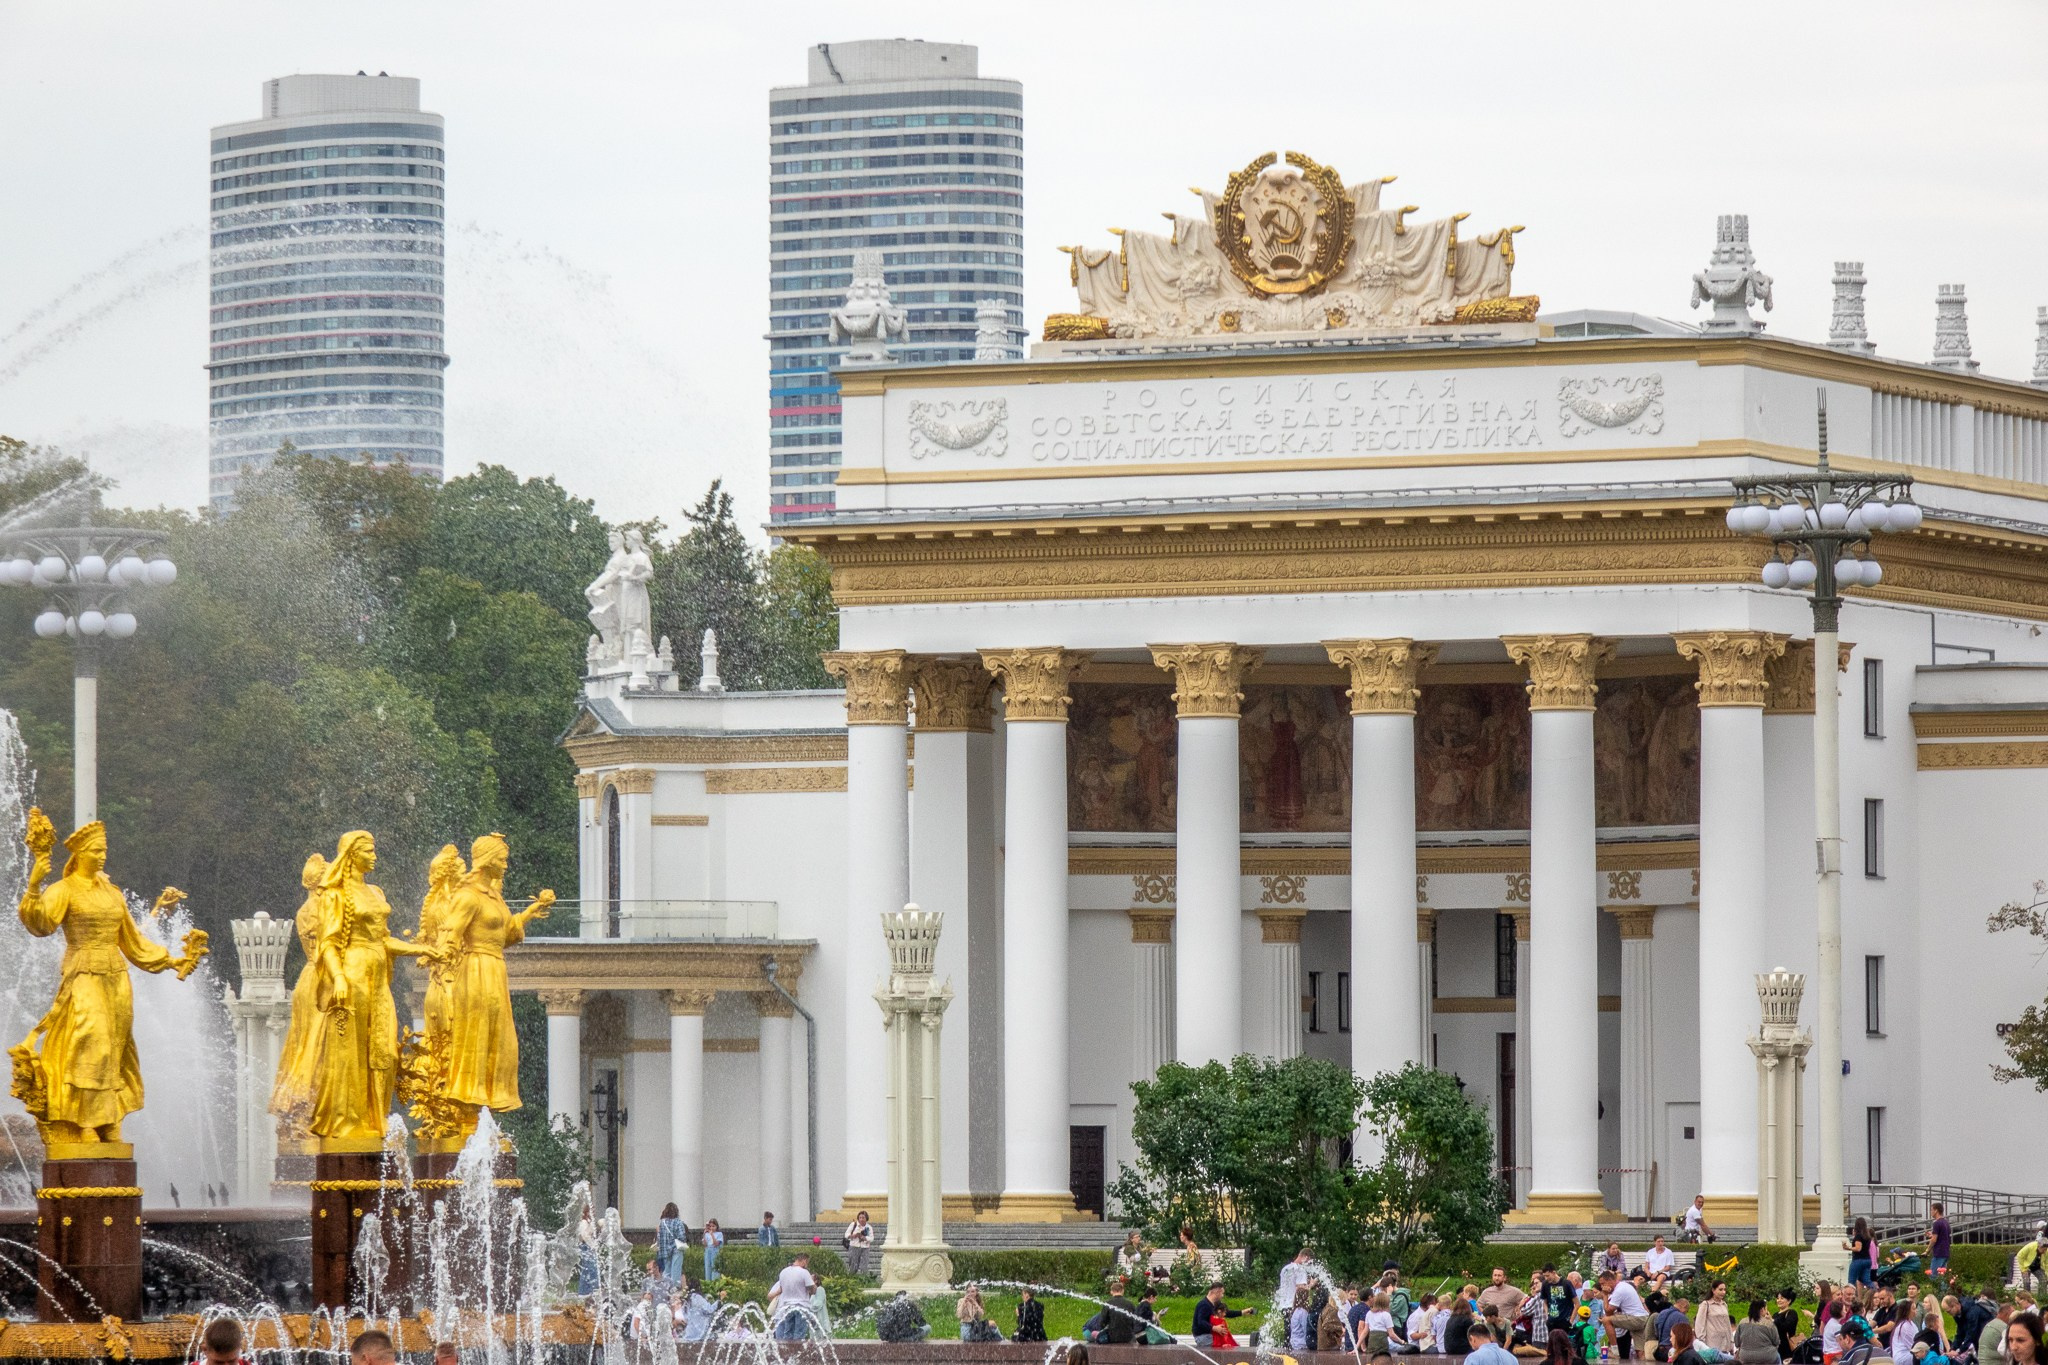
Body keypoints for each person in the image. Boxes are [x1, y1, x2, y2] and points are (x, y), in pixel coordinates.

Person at [1604, 1271, 1652, 1361]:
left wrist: (1605, 1295)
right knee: (1640, 1353)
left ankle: (1614, 1351)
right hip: (1643, 1319)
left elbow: (1608, 1313)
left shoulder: (1619, 1290)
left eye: (1603, 1283)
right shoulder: (1625, 1285)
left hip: (1635, 1319)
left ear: (1610, 1280)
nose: (1602, 1286)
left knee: (1606, 1320)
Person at [768, 1252, 816, 1341]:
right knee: (799, 1334)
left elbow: (781, 1289)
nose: (807, 1265)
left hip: (786, 1307)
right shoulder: (804, 1272)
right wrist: (812, 1282)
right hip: (802, 1306)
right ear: (804, 1260)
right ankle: (797, 1352)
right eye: (807, 1262)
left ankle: (787, 1353)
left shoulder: (783, 1272)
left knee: (788, 1334)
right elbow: (813, 1291)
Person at [1192, 1284, 1245, 1349]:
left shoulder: (1215, 1304)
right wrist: (1214, 1328)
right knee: (1228, 1346)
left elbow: (1226, 1313)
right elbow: (1201, 1322)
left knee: (1235, 1344)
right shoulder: (1204, 1305)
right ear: (1217, 1292)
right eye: (1222, 1293)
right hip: (1203, 1336)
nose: (1222, 1296)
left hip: (1212, 1335)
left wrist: (1242, 1312)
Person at [1737, 1301, 1784, 1365]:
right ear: (1762, 1310)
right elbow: (1776, 1342)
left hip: (1745, 1357)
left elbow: (1737, 1342)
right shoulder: (1769, 1324)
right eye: (1766, 1309)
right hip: (1767, 1357)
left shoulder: (1742, 1322)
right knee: (1778, 1356)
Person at [1698, 1282, 1736, 1356]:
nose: (1723, 1292)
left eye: (1724, 1290)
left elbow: (1728, 1324)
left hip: (1725, 1342)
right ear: (1713, 1290)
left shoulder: (1724, 1304)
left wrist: (1731, 1341)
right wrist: (1702, 1342)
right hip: (1712, 1343)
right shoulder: (1706, 1304)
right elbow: (1700, 1324)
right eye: (1720, 1290)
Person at [654, 1203, 688, 1284]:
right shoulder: (678, 1222)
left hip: (665, 1250)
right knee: (676, 1269)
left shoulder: (662, 1223)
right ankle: (674, 1288)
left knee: (667, 1270)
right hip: (676, 1249)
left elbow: (659, 1237)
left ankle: (665, 1286)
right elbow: (682, 1237)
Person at [1848, 1220, 1879, 1290]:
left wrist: (1848, 1248)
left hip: (1858, 1259)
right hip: (1867, 1260)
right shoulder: (1867, 1237)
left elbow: (1858, 1248)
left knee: (1851, 1280)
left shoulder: (1858, 1236)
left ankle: (1849, 1295)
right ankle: (1876, 1292)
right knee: (1867, 1281)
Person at [843, 1211, 875, 1278]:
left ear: (866, 1218)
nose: (861, 1219)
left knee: (864, 1266)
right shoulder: (853, 1225)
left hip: (865, 1248)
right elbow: (846, 1234)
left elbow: (872, 1238)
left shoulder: (868, 1227)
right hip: (854, 1247)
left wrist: (864, 1238)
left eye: (863, 1217)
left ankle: (864, 1280)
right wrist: (853, 1236)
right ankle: (851, 1279)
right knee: (853, 1266)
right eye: (860, 1217)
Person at [1925, 1206, 1952, 1284]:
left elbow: (1934, 1240)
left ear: (1936, 1210)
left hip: (1939, 1253)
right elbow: (1942, 1236)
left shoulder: (1936, 1223)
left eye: (1931, 1210)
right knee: (1941, 1277)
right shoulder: (1945, 1222)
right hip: (1946, 1252)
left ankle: (1936, 1294)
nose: (1931, 1212)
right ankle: (1944, 1294)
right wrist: (1931, 1235)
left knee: (1934, 1276)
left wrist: (1927, 1251)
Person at [1775, 1291, 1804, 1362]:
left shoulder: (1791, 1313)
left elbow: (1787, 1327)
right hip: (1776, 1347)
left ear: (1789, 1301)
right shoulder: (1775, 1314)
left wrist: (1773, 1321)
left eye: (1782, 1298)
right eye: (1777, 1298)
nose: (1779, 1300)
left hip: (1787, 1347)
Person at [1290, 1285, 1315, 1351]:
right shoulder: (1303, 1312)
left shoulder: (1296, 1311)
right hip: (1301, 1344)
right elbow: (1306, 1329)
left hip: (1294, 1342)